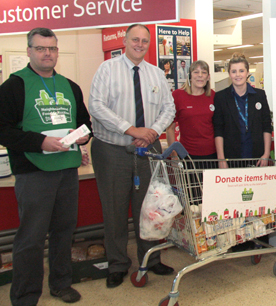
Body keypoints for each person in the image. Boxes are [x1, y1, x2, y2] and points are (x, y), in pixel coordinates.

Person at [0, 27, 91, 305]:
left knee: (65, 231)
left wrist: (84, 135)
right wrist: (41, 142)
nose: (47, 53)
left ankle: (61, 283)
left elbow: (84, 123)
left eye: (51, 48)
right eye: (40, 48)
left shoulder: (70, 86)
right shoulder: (14, 86)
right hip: (34, 171)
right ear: (29, 51)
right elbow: (4, 130)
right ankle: (25, 295)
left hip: (67, 169)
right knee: (31, 237)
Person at [88, 24, 176, 288]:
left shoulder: (157, 74)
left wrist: (151, 133)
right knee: (114, 209)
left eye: (144, 40)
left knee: (150, 208)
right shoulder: (108, 69)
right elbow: (96, 106)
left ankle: (150, 258)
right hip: (112, 149)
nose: (139, 44)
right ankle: (117, 264)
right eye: (135, 39)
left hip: (148, 150)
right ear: (125, 41)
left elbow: (168, 108)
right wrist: (130, 129)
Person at [213, 53, 272, 168]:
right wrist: (221, 159)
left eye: (241, 71)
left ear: (247, 73)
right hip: (231, 158)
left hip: (257, 157)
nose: (237, 75)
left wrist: (266, 154)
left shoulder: (259, 95)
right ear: (229, 74)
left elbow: (266, 126)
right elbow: (218, 129)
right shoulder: (221, 97)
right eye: (234, 71)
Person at [167, 60, 216, 160]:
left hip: (212, 154)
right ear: (190, 75)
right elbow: (170, 128)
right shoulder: (177, 96)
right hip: (186, 154)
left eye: (204, 72)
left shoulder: (213, 96)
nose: (200, 75)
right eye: (196, 72)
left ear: (208, 77)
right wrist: (174, 154)